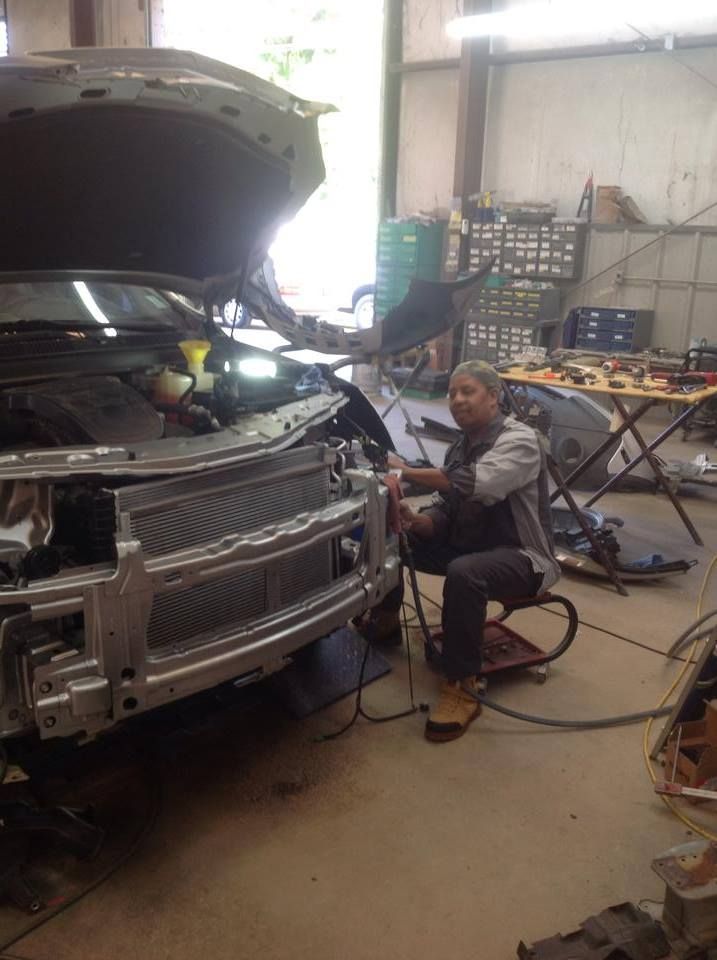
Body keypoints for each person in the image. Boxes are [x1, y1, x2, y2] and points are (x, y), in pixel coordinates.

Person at [383, 359, 560, 743]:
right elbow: (446, 509)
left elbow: (477, 484)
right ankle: (382, 622)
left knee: (466, 572)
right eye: (451, 394)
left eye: (467, 392)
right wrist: (414, 520)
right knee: (392, 535)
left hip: (525, 557)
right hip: (473, 548)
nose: (457, 400)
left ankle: (462, 686)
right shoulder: (461, 446)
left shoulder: (520, 441)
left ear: (493, 397)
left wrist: (404, 471)